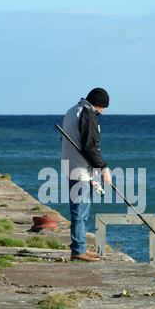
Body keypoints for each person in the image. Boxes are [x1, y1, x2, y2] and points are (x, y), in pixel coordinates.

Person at [62, 88, 112, 262]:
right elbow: (90, 147)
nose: (103, 111)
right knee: (79, 212)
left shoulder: (72, 110)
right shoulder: (87, 115)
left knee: (81, 211)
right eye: (103, 107)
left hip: (71, 165)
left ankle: (81, 247)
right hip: (80, 169)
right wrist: (104, 169)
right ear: (96, 103)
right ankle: (78, 251)